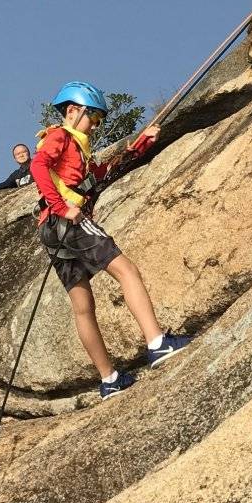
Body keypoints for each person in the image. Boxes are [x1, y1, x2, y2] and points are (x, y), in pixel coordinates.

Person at [30, 81, 190, 400]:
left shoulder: (79, 149)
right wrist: (64, 207)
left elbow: (103, 173)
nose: (96, 125)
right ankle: (157, 343)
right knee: (126, 270)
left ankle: (110, 379)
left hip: (50, 229)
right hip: (67, 221)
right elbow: (38, 166)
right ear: (73, 111)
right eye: (94, 117)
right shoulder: (62, 136)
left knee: (82, 307)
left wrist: (140, 145)